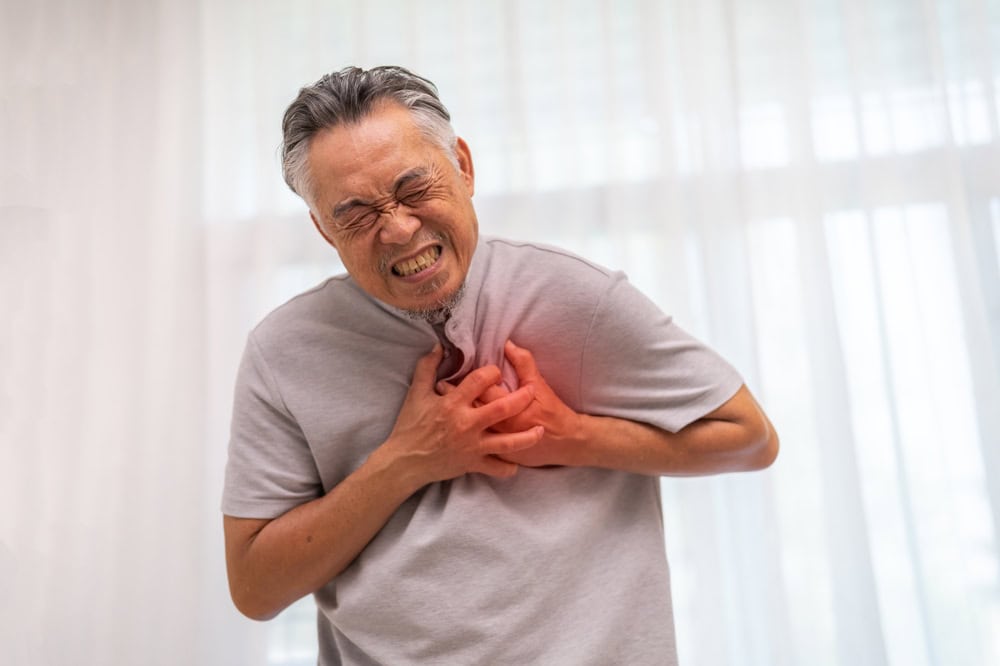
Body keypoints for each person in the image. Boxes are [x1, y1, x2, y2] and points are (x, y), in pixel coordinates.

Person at [222, 65, 778, 665]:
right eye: (357, 214)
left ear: (462, 165)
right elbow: (255, 587)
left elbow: (749, 439)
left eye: (414, 188)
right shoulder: (282, 351)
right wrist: (405, 462)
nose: (399, 229)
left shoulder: (575, 295)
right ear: (324, 229)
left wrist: (574, 437)